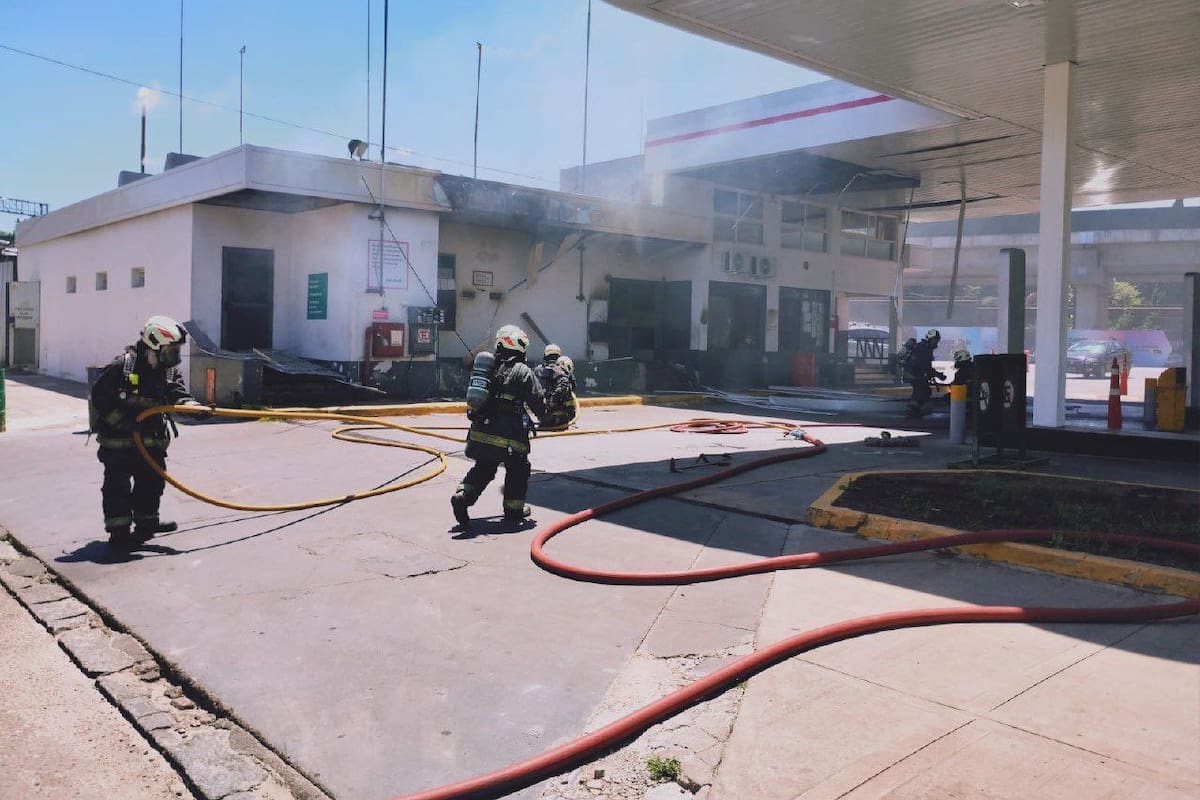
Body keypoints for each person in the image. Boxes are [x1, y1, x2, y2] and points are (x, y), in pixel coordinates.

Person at [89, 315, 210, 549]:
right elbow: (100, 400)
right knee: (117, 486)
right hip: (120, 442)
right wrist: (124, 424)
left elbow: (177, 393)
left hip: (151, 440)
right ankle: (119, 532)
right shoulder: (122, 367)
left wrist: (193, 407)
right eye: (170, 351)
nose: (174, 358)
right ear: (153, 345)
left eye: (176, 352)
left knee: (151, 482)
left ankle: (147, 523)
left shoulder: (166, 371)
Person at [451, 324, 547, 526]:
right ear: (519, 346)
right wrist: (550, 418)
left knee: (484, 467)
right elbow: (539, 403)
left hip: (480, 433)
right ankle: (514, 510)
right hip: (510, 437)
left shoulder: (487, 366)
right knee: (518, 469)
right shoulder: (523, 371)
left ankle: (463, 495)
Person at [903, 329, 944, 418]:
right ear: (931, 339)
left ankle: (915, 411)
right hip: (913, 374)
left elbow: (926, 367)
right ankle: (913, 411)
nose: (936, 342)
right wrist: (938, 375)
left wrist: (936, 374)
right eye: (935, 340)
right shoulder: (924, 349)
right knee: (922, 391)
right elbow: (925, 366)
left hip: (913, 373)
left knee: (922, 391)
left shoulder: (923, 347)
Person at [533, 344, 577, 428]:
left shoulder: (537, 370)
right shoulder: (565, 370)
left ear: (545, 356)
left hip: (543, 417)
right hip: (564, 418)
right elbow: (573, 390)